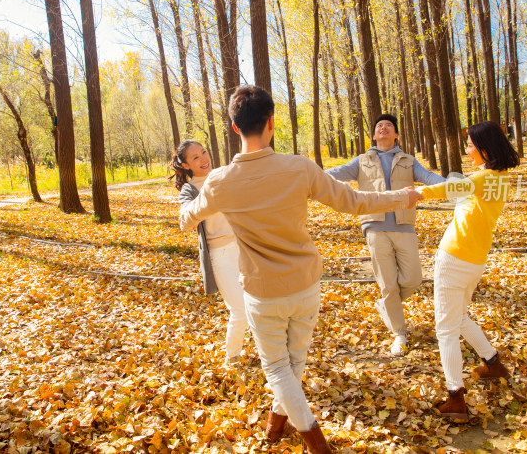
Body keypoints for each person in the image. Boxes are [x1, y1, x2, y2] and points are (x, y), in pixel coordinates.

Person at [180, 86, 422, 453]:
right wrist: (401, 196)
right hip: (306, 285)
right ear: (272, 123)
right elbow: (354, 201)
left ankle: (315, 444)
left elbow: (187, 219)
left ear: (233, 127)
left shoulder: (218, 181)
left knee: (279, 369)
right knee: (294, 364)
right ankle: (276, 425)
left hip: (262, 292)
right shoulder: (299, 167)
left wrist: (186, 199)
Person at [417, 121, 520, 422]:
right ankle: (492, 362)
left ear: (485, 147)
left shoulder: (482, 178)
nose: (466, 148)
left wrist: (412, 193)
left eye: (470, 144)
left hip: (455, 258)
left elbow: (445, 189)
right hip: (475, 258)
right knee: (459, 317)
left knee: (445, 329)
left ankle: (455, 398)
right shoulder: (499, 178)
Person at [327, 113, 444, 355]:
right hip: (375, 226)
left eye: (388, 125)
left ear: (396, 134)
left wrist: (452, 186)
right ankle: (399, 334)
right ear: (373, 135)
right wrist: (307, 174)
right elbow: (336, 173)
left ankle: (386, 305)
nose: (383, 128)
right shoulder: (362, 161)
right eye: (379, 125)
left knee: (413, 279)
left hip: (404, 225)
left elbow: (429, 178)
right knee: (388, 284)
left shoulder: (408, 160)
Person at [170, 140, 248, 366]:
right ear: (185, 165)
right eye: (195, 157)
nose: (203, 159)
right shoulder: (190, 189)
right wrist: (206, 200)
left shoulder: (225, 174)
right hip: (220, 254)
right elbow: (185, 220)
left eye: (203, 152)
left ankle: (271, 355)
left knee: (260, 304)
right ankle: (231, 358)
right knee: (240, 310)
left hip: (246, 247)